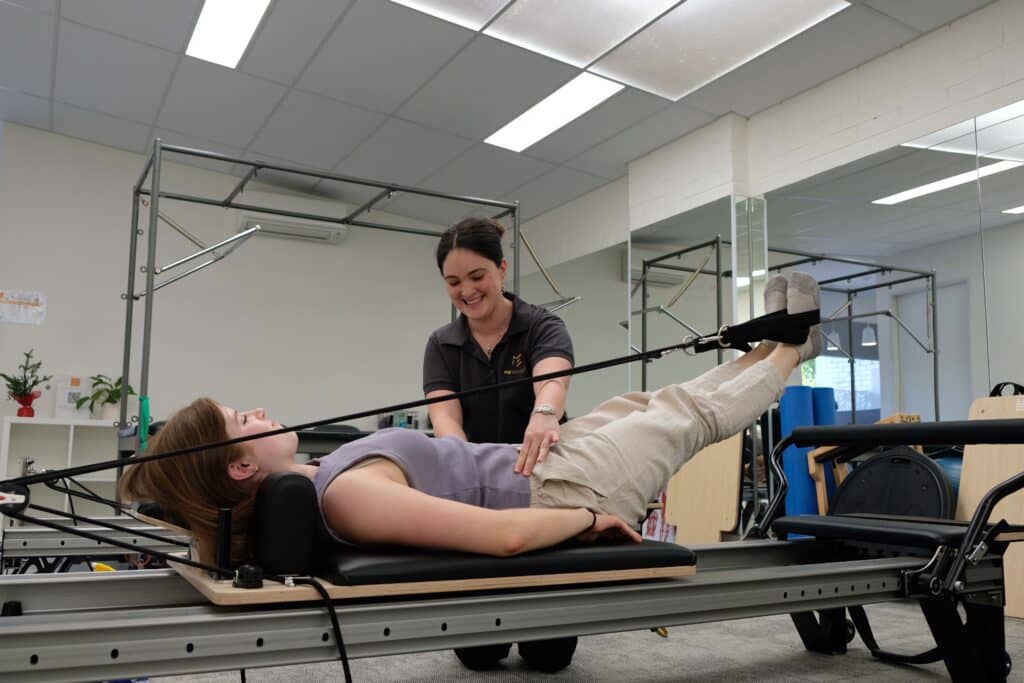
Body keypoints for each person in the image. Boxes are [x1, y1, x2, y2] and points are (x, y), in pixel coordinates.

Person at [121, 273, 822, 569]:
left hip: (540, 459)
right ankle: (796, 348)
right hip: (562, 489)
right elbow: (505, 535)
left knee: (651, 401)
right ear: (241, 464)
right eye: (241, 417)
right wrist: (587, 517)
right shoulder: (345, 493)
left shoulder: (315, 477)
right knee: (687, 415)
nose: (257, 410)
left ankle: (768, 345)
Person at [423, 217, 573, 477]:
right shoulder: (441, 344)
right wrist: (465, 466)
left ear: (502, 269)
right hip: (476, 471)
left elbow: (552, 383)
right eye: (454, 282)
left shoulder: (542, 327)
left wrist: (544, 413)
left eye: (477, 276)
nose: (467, 291)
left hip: (541, 468)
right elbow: (445, 418)